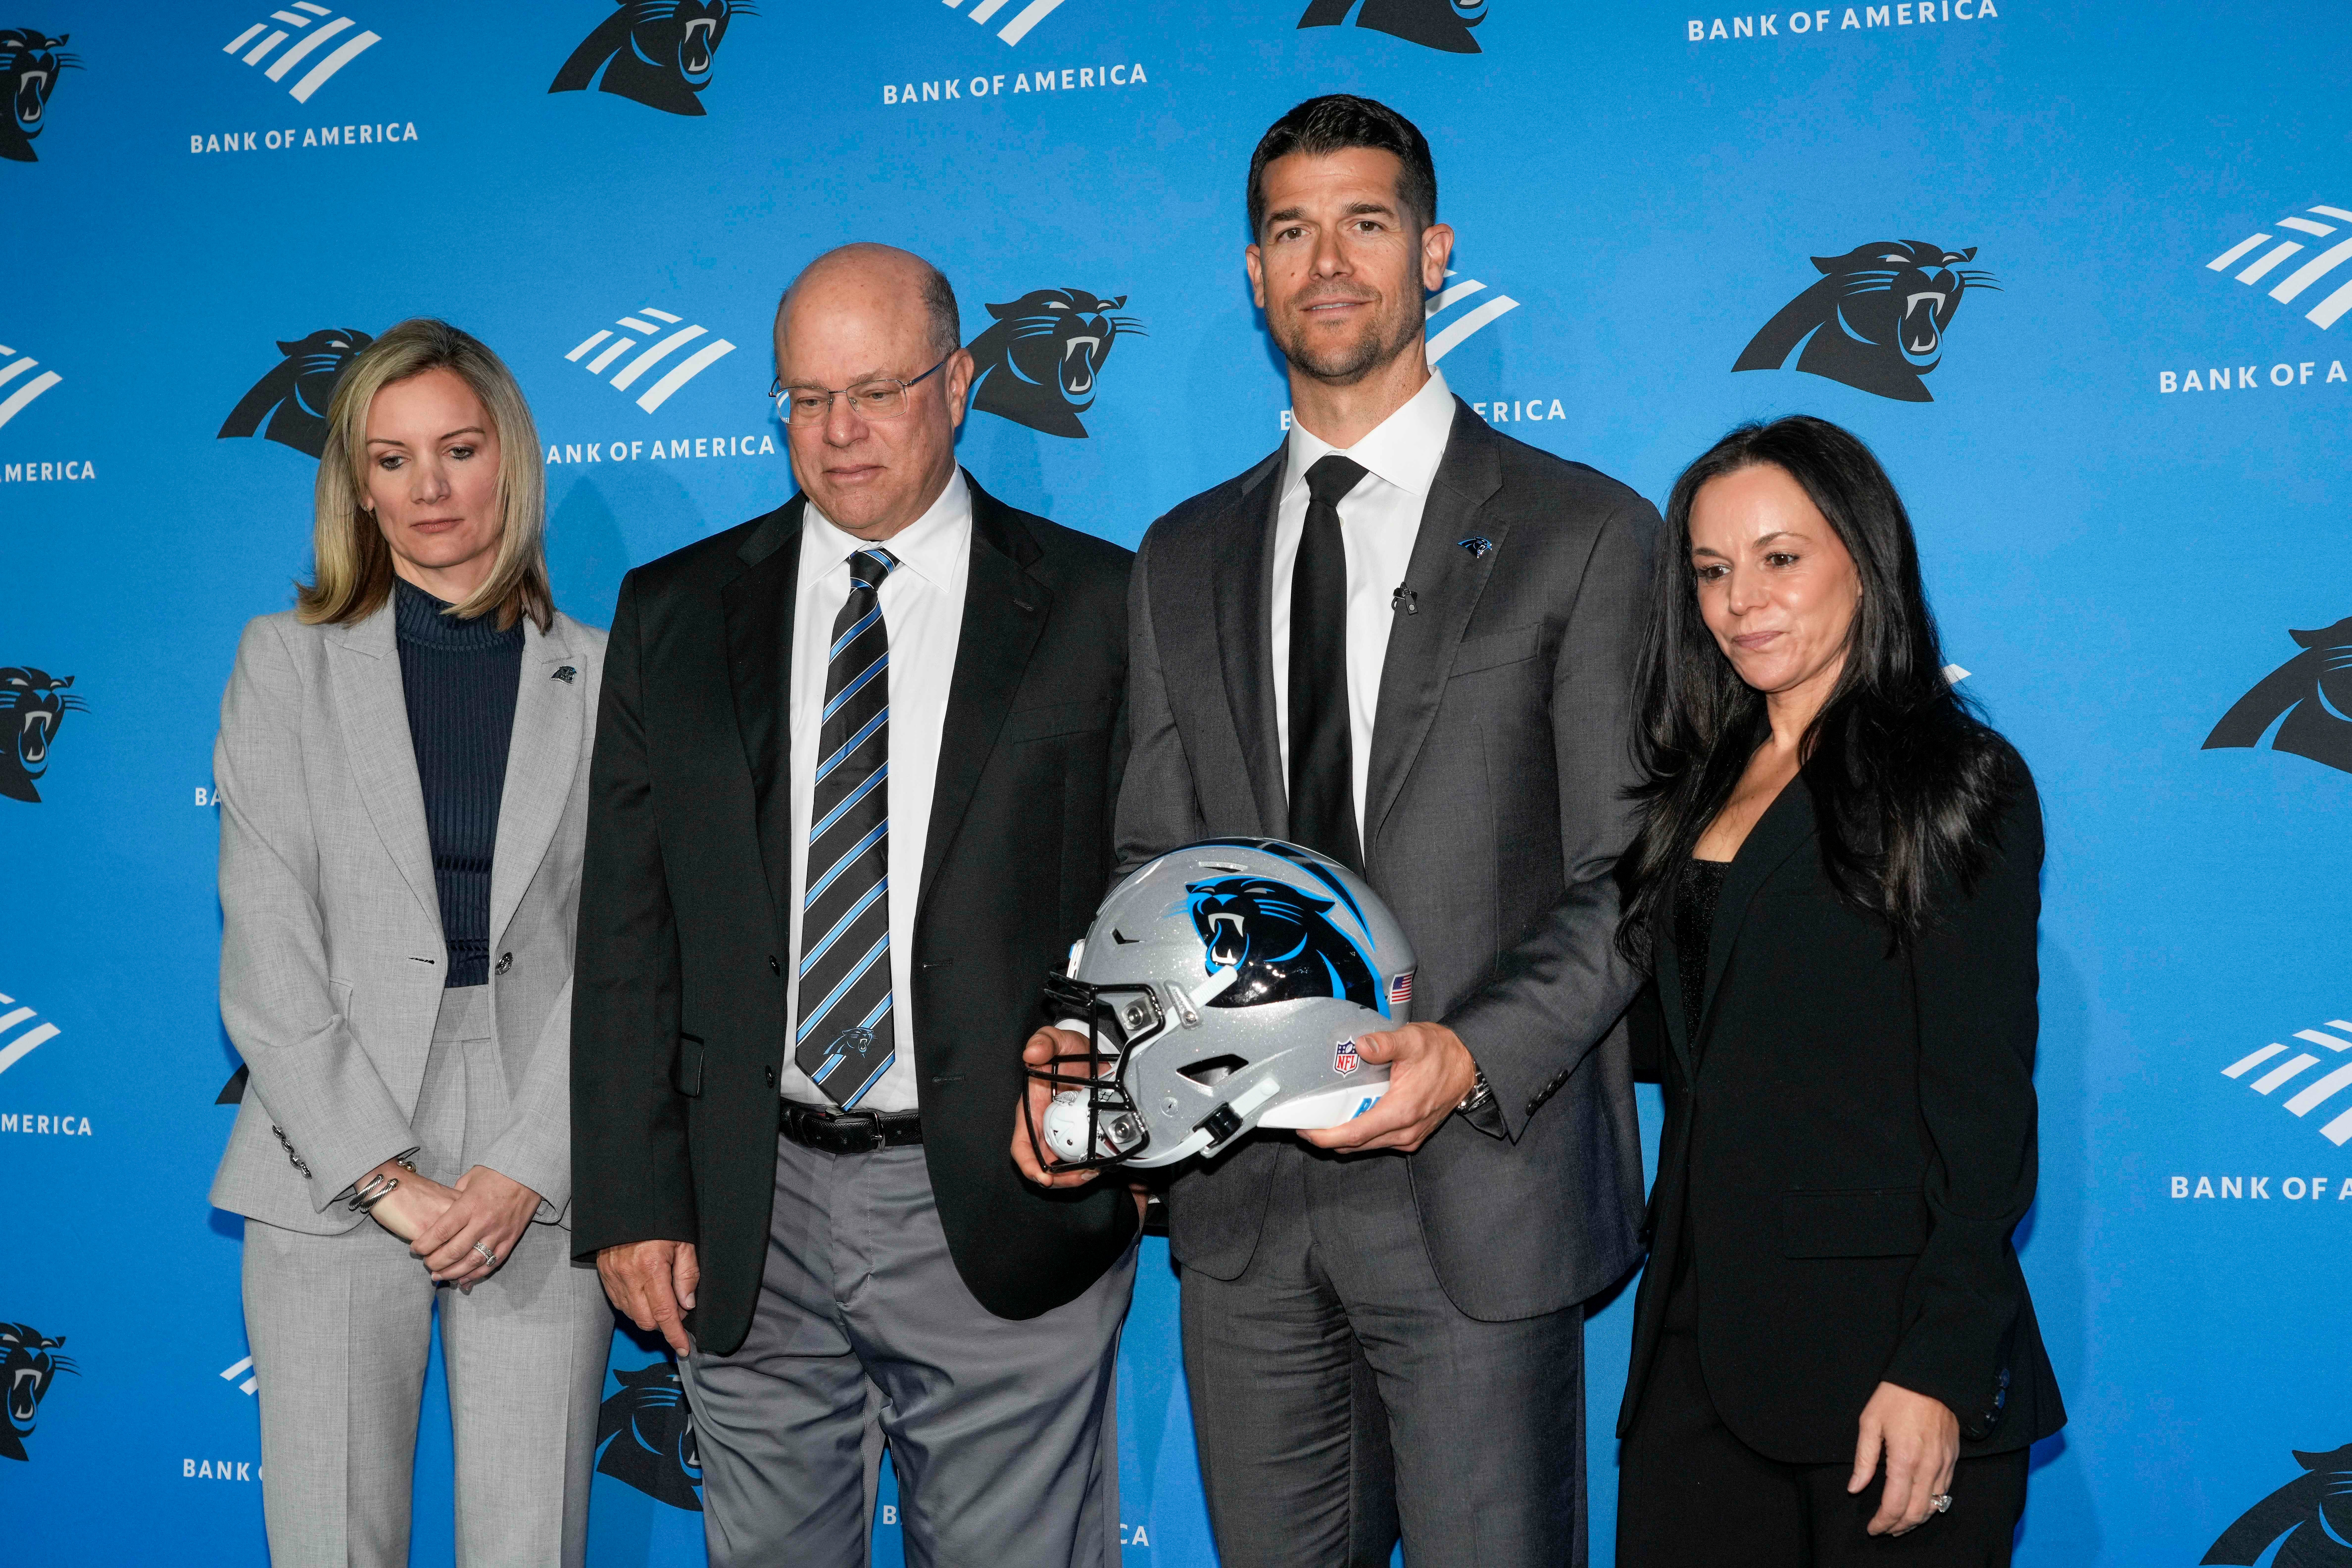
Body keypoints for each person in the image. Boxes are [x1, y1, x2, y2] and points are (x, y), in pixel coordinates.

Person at [1015, 95, 1658, 1567]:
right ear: (1253, 272)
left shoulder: (1583, 534)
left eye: (1366, 223)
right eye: (1292, 231)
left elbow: (1627, 872)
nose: (1329, 262)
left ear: (1433, 255)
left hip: (1477, 1194)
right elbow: (1151, 867)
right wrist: (1099, 1049)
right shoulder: (1182, 554)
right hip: (1242, 1213)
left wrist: (1468, 1054)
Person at [572, 243, 1140, 1568]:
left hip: (1005, 1202)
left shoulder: (1104, 606)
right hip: (742, 1215)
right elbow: (627, 932)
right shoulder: (672, 611)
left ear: (958, 384)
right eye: (804, 399)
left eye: (875, 392)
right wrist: (633, 1196)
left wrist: (1110, 1119)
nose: (838, 434)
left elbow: (1150, 888)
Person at [1611, 415, 2065, 1564]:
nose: (1740, 601)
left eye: (1781, 558)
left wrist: (1940, 1369)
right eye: (1711, 571)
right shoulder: (1690, 784)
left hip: (1885, 1367)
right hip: (1694, 1353)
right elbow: (1685, 1042)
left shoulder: (1951, 780)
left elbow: (1983, 1104)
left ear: (1864, 559)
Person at [210, 318, 613, 1567]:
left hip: (538, 1140)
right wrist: (384, 1177)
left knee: (526, 1544)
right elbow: (266, 945)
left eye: (458, 450)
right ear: (356, 483)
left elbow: (628, 948)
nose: (428, 490)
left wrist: (522, 1167)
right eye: (391, 460)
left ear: (513, 461)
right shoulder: (286, 664)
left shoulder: (606, 676)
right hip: (327, 1141)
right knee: (329, 1541)